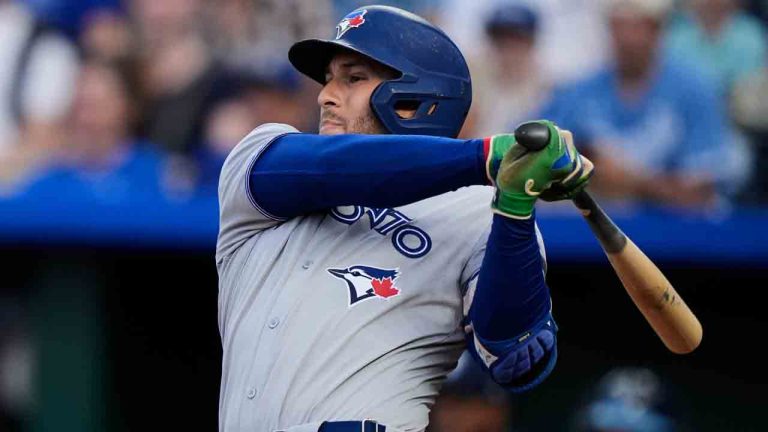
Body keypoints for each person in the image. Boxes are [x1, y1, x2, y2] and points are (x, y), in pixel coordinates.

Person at [215, 6, 593, 432]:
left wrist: (515, 209)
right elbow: (331, 169)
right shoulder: (264, 155)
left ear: (416, 101)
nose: (325, 96)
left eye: (353, 79)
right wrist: (485, 156)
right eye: (327, 80)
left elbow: (514, 359)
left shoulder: (476, 211)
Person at [541, 0, 751, 210]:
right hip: (594, 228)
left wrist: (629, 181)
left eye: (639, 27)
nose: (628, 38)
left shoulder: (694, 90)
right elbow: (537, 154)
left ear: (659, 31)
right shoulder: (581, 91)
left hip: (677, 234)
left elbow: (700, 193)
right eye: (619, 27)